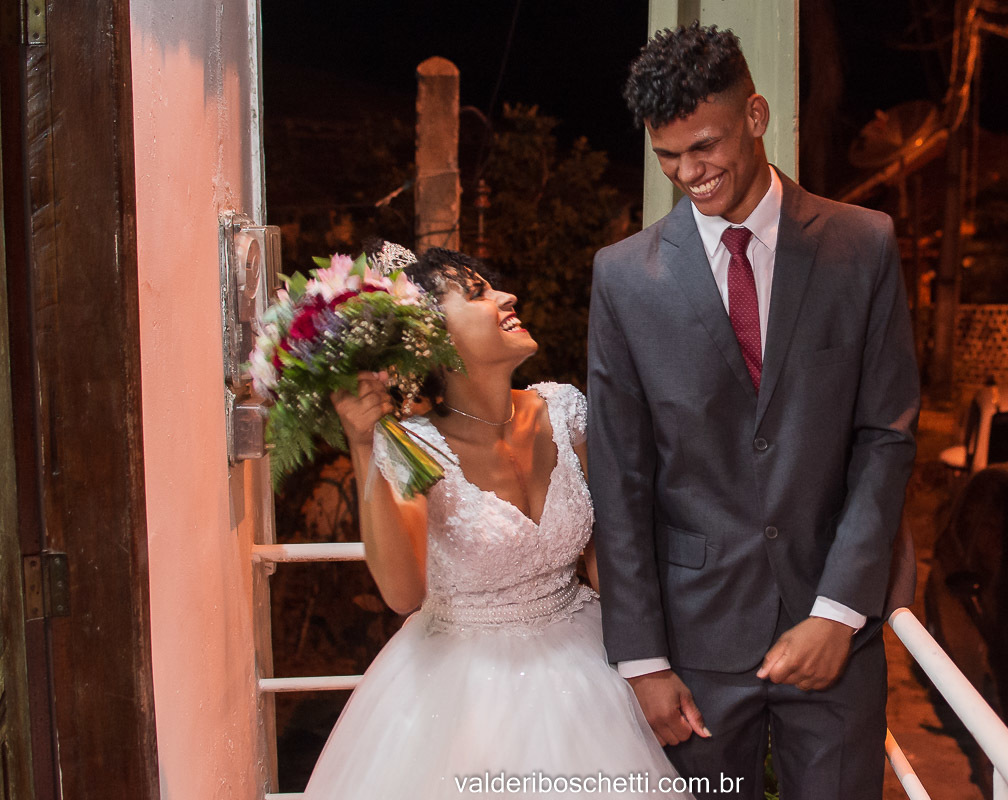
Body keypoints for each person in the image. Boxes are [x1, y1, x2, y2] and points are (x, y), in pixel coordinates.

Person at [587, 24, 920, 800]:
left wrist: (838, 612)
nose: (688, 173)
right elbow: (620, 475)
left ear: (756, 115)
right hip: (692, 646)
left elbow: (886, 437)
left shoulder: (863, 244)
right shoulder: (623, 278)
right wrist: (641, 661)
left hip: (836, 629)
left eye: (704, 146)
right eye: (668, 156)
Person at [303, 247, 693, 799]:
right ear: (432, 338)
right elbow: (402, 593)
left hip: (586, 666)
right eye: (479, 294)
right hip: (461, 690)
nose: (508, 297)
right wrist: (365, 446)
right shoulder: (411, 445)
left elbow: (608, 561)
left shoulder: (564, 410)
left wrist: (649, 664)